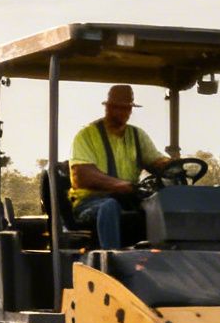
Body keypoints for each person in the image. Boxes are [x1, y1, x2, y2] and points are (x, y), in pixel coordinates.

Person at [69, 84, 174, 249]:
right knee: (109, 206)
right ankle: (110, 260)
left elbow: (156, 162)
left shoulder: (137, 135)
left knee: (162, 204)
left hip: (128, 199)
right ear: (108, 107)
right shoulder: (87, 135)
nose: (124, 112)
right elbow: (82, 175)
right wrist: (120, 185)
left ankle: (166, 258)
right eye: (118, 107)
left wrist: (172, 166)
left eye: (127, 108)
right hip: (90, 202)